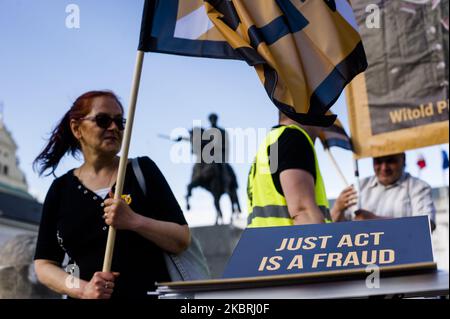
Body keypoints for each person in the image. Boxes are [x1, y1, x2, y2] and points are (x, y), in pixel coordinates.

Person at [33, 91, 190, 299]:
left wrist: (134, 220)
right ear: (76, 128)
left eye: (119, 121)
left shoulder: (142, 170)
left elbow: (181, 238)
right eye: (103, 120)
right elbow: (44, 264)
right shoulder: (60, 190)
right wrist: (83, 289)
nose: (114, 127)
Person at [246, 112, 332, 227]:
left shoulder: (267, 146)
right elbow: (303, 213)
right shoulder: (293, 138)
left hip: (265, 243)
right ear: (302, 104)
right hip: (291, 243)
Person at [332, 153, 436, 230]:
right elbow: (333, 230)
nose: (384, 167)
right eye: (378, 161)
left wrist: (375, 220)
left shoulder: (419, 187)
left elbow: (426, 226)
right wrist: (337, 209)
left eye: (390, 160)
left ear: (403, 160)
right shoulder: (358, 187)